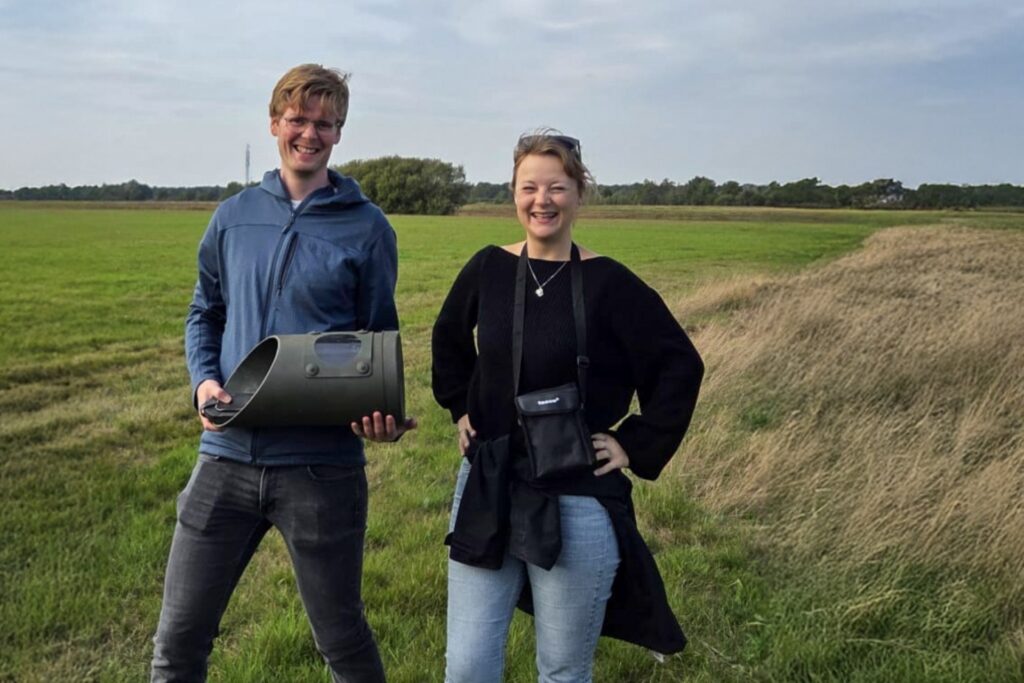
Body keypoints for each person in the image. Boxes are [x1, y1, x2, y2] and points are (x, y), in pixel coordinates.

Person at [151, 63, 414, 683]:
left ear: (339, 133)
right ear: (275, 124)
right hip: (224, 459)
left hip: (321, 470)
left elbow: (377, 339)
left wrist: (381, 416)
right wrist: (203, 381)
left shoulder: (368, 227)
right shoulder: (233, 217)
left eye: (325, 123)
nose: (310, 133)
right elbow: (204, 312)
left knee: (341, 643)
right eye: (298, 119)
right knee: (178, 640)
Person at [431, 131, 704, 682]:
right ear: (513, 193)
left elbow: (679, 364)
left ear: (580, 193)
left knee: (561, 669)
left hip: (575, 490)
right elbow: (448, 340)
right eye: (529, 186)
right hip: (489, 480)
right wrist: (462, 407)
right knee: (467, 664)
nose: (542, 200)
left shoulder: (610, 283)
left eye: (557, 187)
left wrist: (634, 442)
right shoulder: (488, 268)